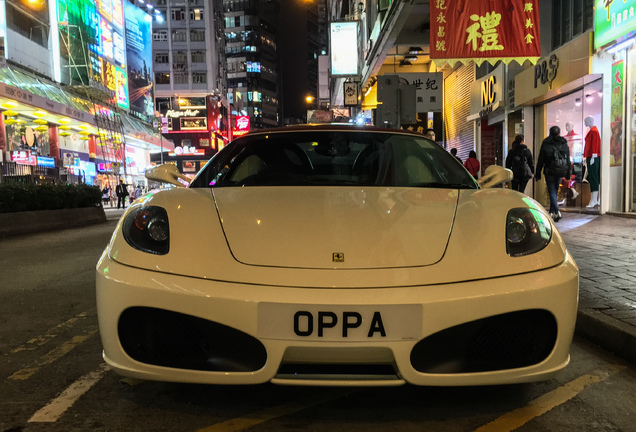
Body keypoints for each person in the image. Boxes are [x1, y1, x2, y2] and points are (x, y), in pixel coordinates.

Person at [536, 126, 571, 222]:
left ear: (550, 132)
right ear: (559, 133)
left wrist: (537, 172)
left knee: (552, 191)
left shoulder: (546, 143)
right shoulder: (563, 143)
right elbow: (567, 159)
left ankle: (556, 211)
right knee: (555, 190)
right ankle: (552, 212)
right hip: (560, 170)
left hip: (549, 171)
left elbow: (541, 159)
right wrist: (568, 173)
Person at [584, 116, 601, 208]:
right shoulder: (592, 131)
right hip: (591, 156)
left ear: (590, 121)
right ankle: (594, 199)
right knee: (592, 177)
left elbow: (595, 144)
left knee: (593, 176)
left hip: (593, 156)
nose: (584, 123)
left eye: (585, 121)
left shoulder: (594, 131)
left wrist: (594, 156)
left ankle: (594, 200)